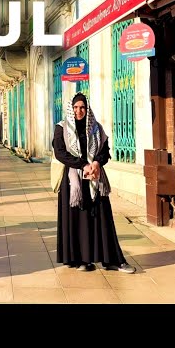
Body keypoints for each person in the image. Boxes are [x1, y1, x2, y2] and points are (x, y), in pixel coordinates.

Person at [52, 92, 136, 274]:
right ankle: (81, 259)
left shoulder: (96, 128)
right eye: (75, 108)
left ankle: (111, 260)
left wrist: (96, 163)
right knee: (77, 220)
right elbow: (60, 153)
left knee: (102, 218)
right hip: (73, 181)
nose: (79, 111)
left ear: (87, 109)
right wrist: (83, 165)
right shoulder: (61, 128)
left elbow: (105, 151)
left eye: (82, 107)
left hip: (95, 179)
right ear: (71, 109)